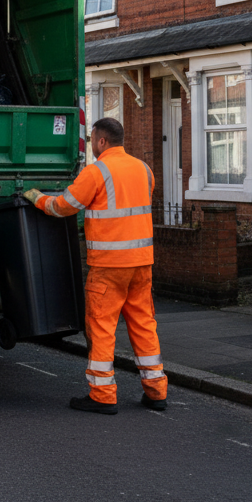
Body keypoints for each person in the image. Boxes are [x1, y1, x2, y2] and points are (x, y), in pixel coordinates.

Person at [22, 117, 167, 414]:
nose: (91, 146)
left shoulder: (96, 171)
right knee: (143, 324)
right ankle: (156, 391)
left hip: (109, 266)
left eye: (91, 141)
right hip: (142, 264)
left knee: (101, 326)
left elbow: (64, 206)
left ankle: (102, 394)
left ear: (101, 141)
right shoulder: (145, 170)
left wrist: (36, 198)